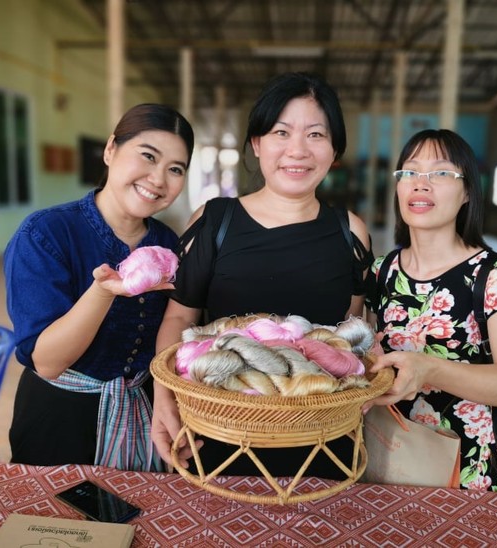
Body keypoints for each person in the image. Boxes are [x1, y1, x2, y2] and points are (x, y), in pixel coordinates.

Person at [152, 72, 374, 479]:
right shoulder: (215, 220)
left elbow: (348, 337)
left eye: (315, 135)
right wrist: (163, 398)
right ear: (256, 144)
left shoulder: (351, 232)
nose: (297, 150)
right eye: (281, 132)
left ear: (334, 149)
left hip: (321, 437)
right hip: (217, 432)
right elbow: (179, 319)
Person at [3, 103, 194, 471]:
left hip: (144, 411)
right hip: (58, 419)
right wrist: (104, 291)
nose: (158, 178)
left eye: (175, 169)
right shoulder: (45, 233)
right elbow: (47, 362)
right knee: (55, 525)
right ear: (110, 150)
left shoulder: (170, 243)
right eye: (148, 156)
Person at [364, 128, 497, 491]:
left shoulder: (496, 277)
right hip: (385, 456)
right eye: (409, 172)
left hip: (463, 471)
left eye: (441, 173)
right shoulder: (382, 271)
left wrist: (428, 368)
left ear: (468, 192)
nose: (420, 184)